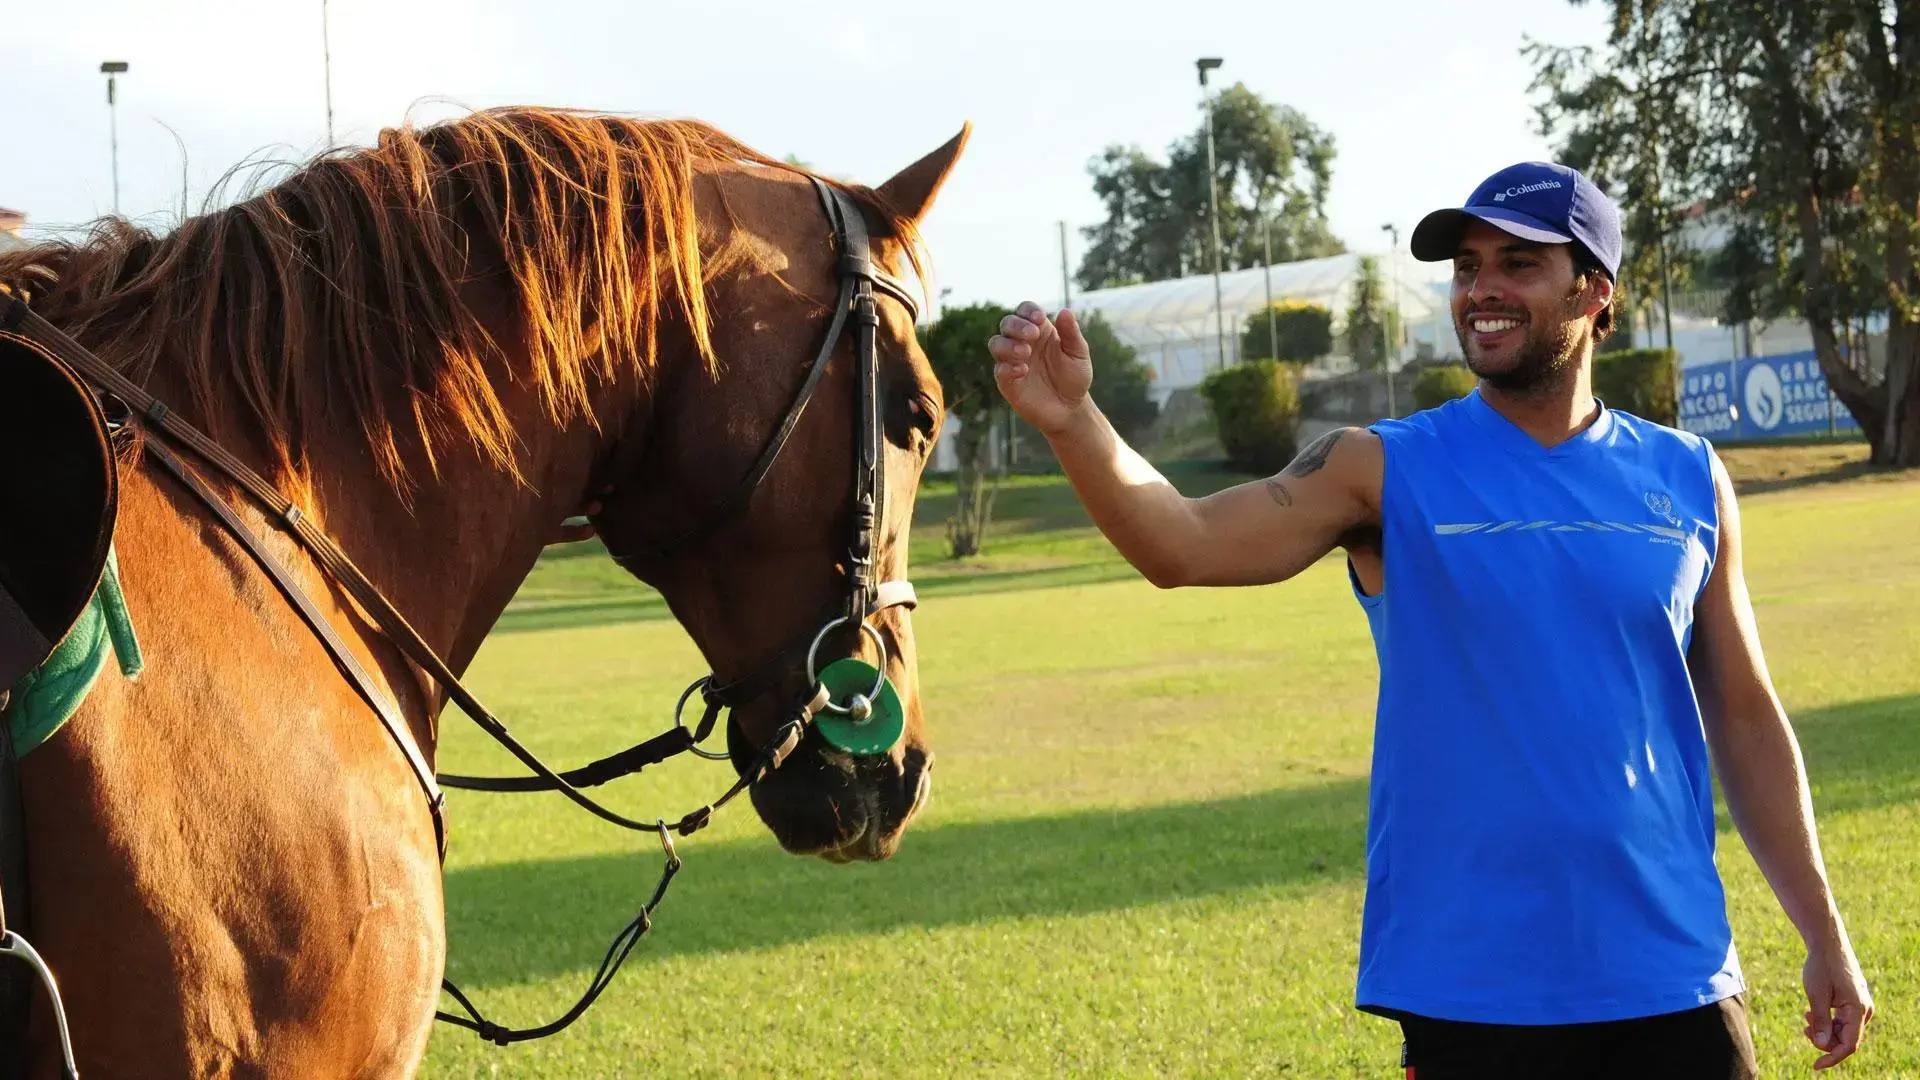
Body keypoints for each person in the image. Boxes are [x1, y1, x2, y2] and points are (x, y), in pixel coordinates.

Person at [985, 162, 1872, 1078]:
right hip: (1473, 990)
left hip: (1674, 975)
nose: (1482, 288)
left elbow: (1745, 717)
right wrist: (1072, 420)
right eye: (1466, 267)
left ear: (1594, 290)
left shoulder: (1691, 476)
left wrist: (1824, 931)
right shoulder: (1380, 468)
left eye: (1518, 263)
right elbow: (1182, 543)